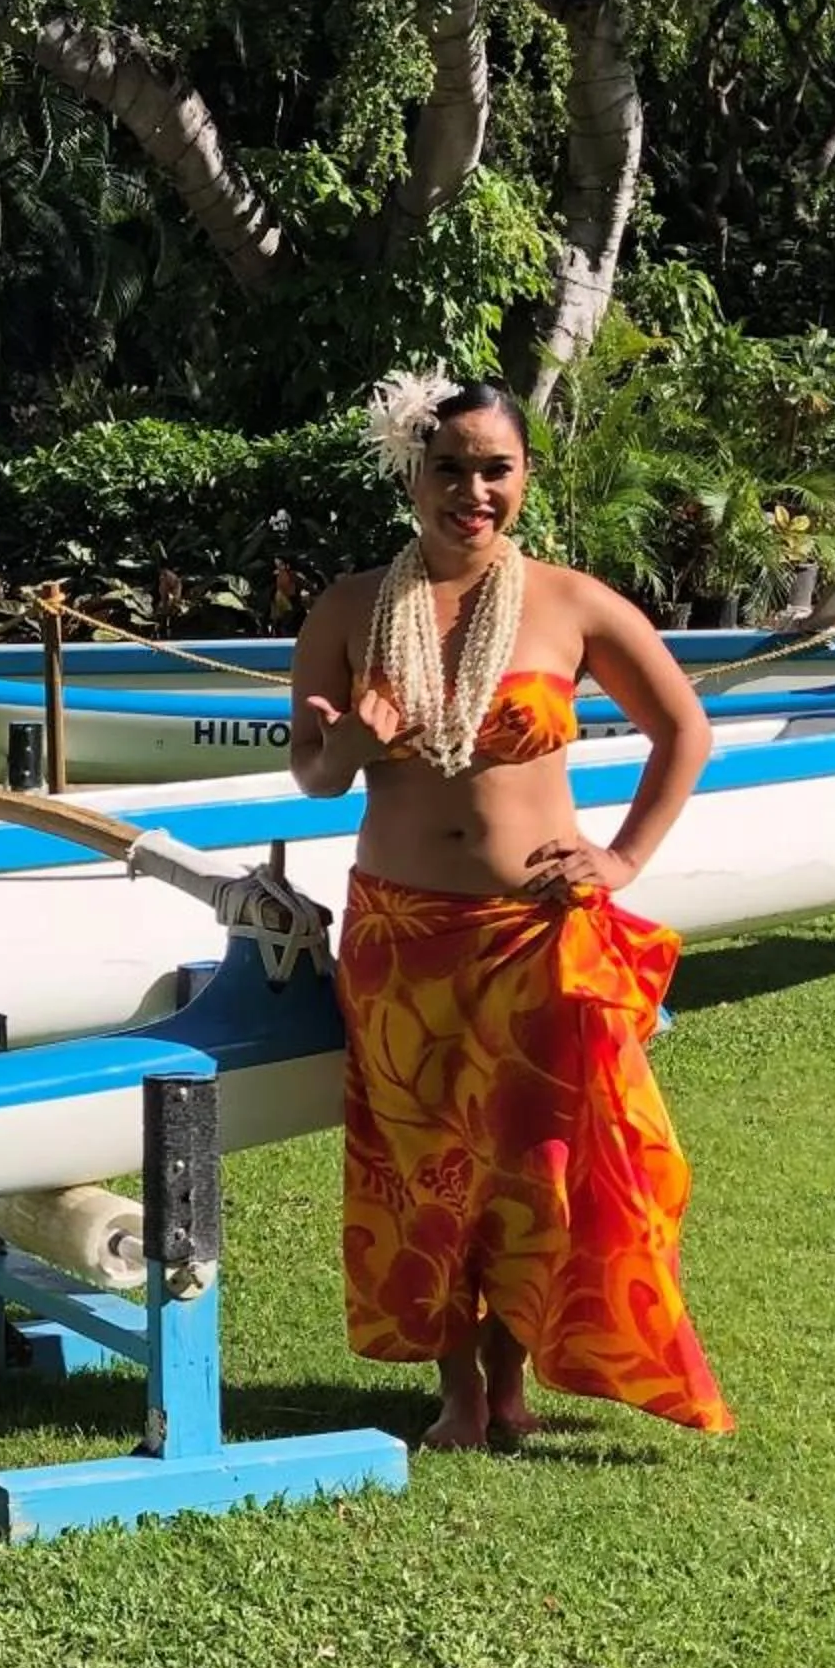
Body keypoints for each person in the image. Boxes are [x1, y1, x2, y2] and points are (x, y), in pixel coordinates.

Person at [290, 372, 734, 1451]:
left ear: (526, 476)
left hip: (532, 932)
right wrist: (351, 740)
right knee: (423, 1165)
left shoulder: (573, 603)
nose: (473, 492)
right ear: (415, 473)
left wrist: (621, 857)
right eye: (450, 469)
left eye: (496, 469)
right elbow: (313, 771)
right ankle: (455, 1394)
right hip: (403, 933)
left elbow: (685, 730)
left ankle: (512, 1381)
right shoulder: (352, 606)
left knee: (529, 1165)